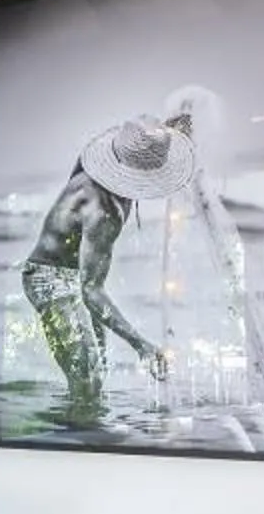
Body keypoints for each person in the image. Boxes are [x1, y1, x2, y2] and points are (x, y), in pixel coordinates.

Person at [20, 92, 216, 429]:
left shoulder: (112, 150)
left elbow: (143, 138)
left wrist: (177, 131)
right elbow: (91, 290)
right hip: (49, 278)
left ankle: (75, 432)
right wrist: (144, 347)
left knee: (96, 373)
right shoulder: (104, 210)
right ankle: (66, 443)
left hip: (72, 276)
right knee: (88, 382)